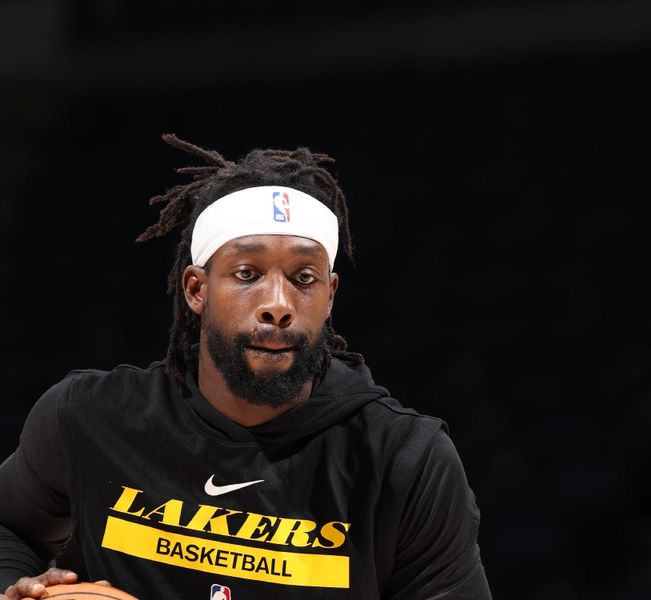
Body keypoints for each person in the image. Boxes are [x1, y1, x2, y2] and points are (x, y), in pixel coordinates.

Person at [0, 134, 492, 599]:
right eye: (247, 274)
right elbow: (9, 528)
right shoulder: (90, 416)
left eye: (304, 277)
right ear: (196, 290)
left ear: (330, 295)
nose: (277, 304)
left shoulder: (403, 461)